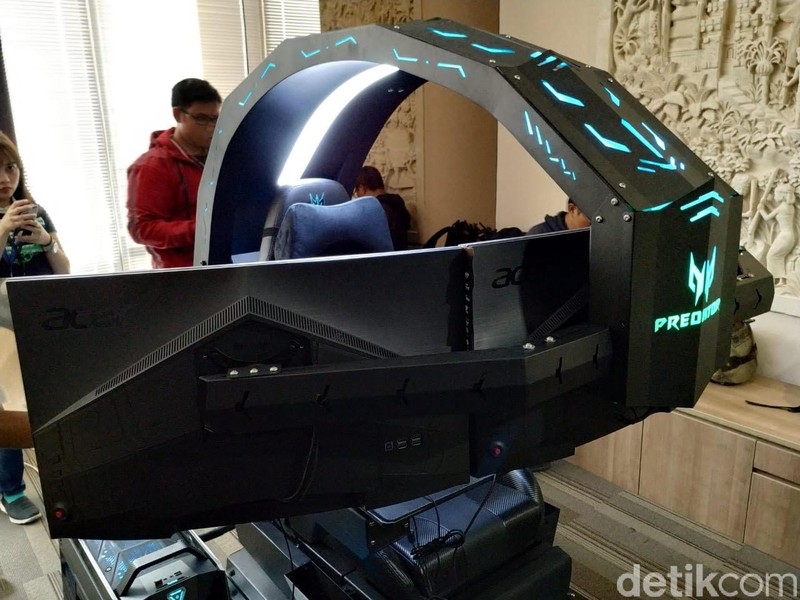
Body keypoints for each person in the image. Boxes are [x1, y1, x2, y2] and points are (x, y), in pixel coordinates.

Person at [1, 130, 70, 525]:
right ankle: (11, 490)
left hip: (39, 319)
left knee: (49, 399)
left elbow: (64, 268)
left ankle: (62, 474)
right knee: (7, 408)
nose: (4, 178)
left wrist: (46, 240)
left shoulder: (36, 210)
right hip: (0, 329)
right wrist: (3, 228)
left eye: (10, 167)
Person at [127, 78, 222, 268]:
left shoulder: (220, 156)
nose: (211, 127)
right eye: (201, 119)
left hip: (225, 264)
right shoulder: (152, 166)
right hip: (182, 275)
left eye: (215, 119)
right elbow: (142, 229)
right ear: (178, 114)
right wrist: (202, 229)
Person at [353, 165, 412, 251]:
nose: (357, 195)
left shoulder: (374, 212)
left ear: (362, 188)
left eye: (356, 191)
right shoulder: (396, 205)